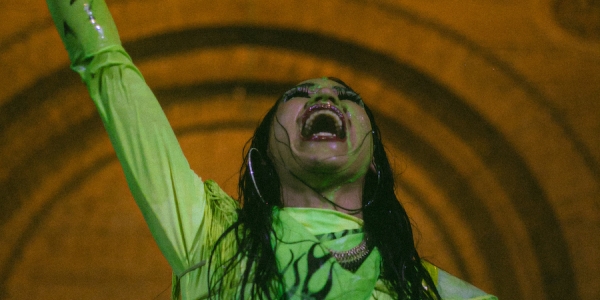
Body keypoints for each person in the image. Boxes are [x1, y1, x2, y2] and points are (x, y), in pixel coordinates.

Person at [46, 0, 498, 299]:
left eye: (348, 98)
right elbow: (104, 62)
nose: (327, 99)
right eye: (298, 95)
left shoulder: (421, 288)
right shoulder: (210, 239)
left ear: (375, 160)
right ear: (262, 157)